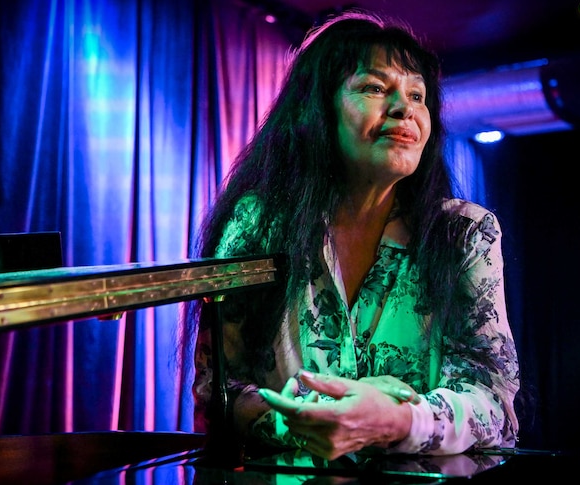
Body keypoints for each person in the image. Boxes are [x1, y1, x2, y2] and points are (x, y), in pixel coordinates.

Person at [187, 9, 520, 462]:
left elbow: (493, 398)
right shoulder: (257, 225)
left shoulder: (463, 233)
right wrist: (304, 419)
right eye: (375, 88)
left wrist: (398, 420)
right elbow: (218, 390)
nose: (405, 108)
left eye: (417, 95)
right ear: (318, 110)